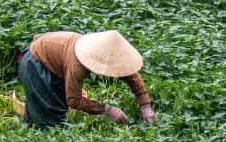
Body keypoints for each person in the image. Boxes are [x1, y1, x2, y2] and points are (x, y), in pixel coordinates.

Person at [13, 30, 156, 128]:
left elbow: (131, 74)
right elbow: (74, 100)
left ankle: (33, 114)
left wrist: (145, 105)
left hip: (54, 62)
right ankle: (28, 122)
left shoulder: (108, 52)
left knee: (56, 107)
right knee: (50, 124)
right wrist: (107, 109)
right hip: (35, 63)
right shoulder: (77, 63)